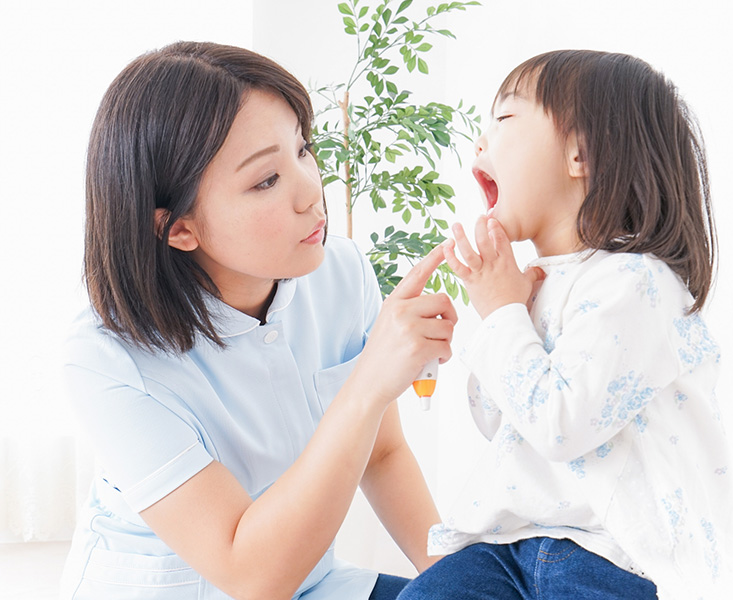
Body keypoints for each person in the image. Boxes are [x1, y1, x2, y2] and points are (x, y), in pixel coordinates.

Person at [60, 41, 457, 600]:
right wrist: (369, 382)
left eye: (302, 149)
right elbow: (251, 578)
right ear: (177, 229)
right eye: (265, 181)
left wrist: (466, 582)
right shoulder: (106, 357)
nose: (310, 190)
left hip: (312, 582)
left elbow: (385, 453)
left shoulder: (340, 273)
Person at [399, 50, 733, 600]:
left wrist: (505, 314)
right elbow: (500, 422)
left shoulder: (635, 284)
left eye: (504, 120)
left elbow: (560, 426)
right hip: (511, 545)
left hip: (611, 554)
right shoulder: (534, 283)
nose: (479, 144)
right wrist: (500, 312)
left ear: (580, 152)